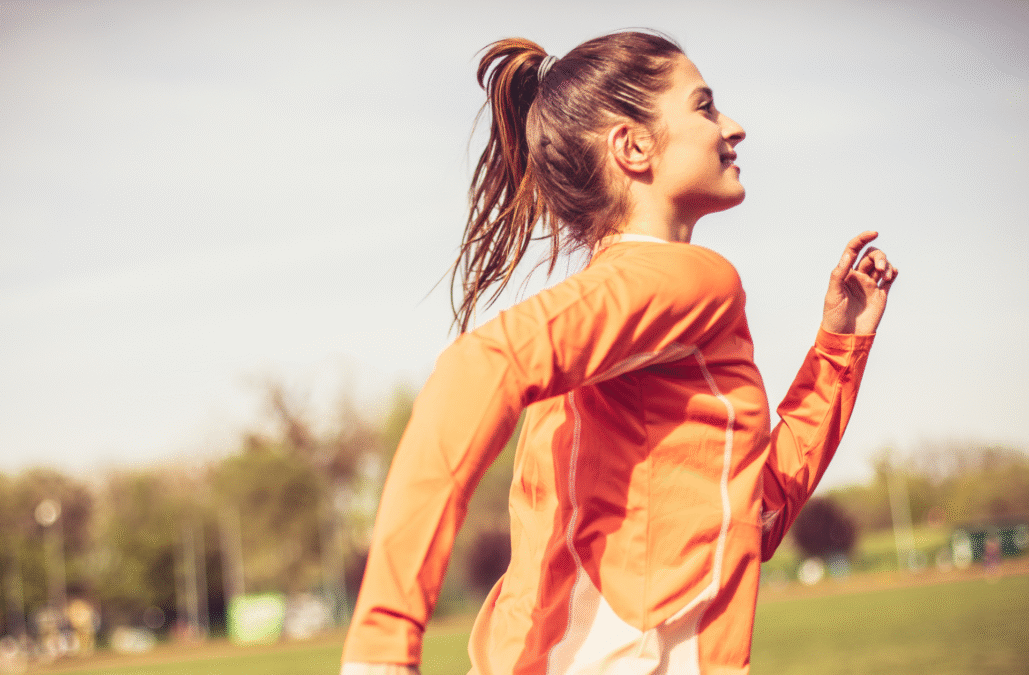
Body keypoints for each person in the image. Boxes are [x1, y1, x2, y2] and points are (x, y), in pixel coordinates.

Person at [340, 30, 897, 675]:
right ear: (634, 147)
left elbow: (755, 517)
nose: (734, 127)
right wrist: (381, 645)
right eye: (704, 106)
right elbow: (477, 365)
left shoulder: (621, 336)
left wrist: (839, 350)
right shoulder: (692, 279)